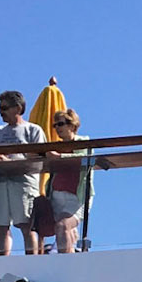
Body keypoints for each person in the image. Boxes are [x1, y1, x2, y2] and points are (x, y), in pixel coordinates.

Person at [0, 90, 48, 256]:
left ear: (18, 108)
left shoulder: (33, 130)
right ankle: (1, 263)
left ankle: (32, 262)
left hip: (23, 184)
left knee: (27, 225)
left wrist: (9, 162)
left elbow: (37, 160)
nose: (1, 112)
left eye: (4, 108)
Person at [46, 107, 95, 253]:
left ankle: (66, 261)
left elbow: (83, 158)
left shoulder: (83, 142)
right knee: (64, 230)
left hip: (76, 197)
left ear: (72, 126)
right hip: (56, 196)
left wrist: (60, 157)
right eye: (55, 125)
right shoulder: (55, 146)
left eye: (60, 124)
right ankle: (70, 256)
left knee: (63, 226)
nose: (57, 128)